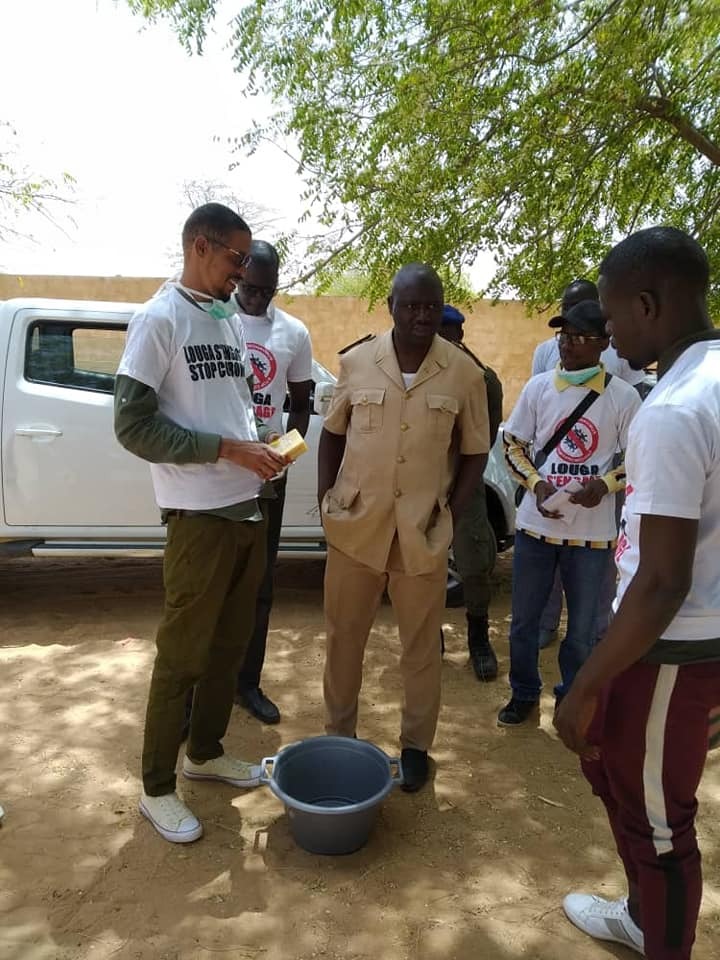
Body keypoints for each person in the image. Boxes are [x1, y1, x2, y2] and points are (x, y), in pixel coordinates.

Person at [555, 227, 720, 960]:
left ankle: (663, 939)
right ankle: (642, 915)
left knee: (660, 828)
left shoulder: (674, 409)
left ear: (649, 304)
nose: (609, 332)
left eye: (614, 315)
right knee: (610, 766)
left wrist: (587, 680)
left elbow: (660, 582)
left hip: (672, 648)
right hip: (686, 640)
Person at [114, 203, 288, 844]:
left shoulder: (226, 322)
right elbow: (132, 427)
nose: (244, 273)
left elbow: (229, 410)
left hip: (246, 508)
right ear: (198, 246)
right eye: (235, 259)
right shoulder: (160, 320)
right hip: (199, 519)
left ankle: (206, 753)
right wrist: (226, 449)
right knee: (183, 655)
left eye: (247, 261)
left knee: (228, 647)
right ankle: (157, 786)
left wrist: (260, 446)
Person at [318, 264, 490, 791]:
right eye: (411, 305)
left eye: (430, 306)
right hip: (355, 531)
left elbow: (474, 453)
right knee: (344, 640)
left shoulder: (464, 373)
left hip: (422, 534)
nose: (421, 315)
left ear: (441, 309)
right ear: (391, 305)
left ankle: (415, 746)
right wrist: (329, 503)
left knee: (420, 646)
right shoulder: (356, 362)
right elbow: (332, 436)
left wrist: (450, 517)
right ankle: (338, 738)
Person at [501, 299, 641, 726]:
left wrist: (605, 485)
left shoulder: (622, 396)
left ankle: (571, 697)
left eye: (580, 337)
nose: (568, 345)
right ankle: (524, 692)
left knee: (580, 631)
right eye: (564, 336)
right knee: (523, 623)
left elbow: (639, 456)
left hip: (591, 536)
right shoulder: (539, 388)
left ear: (604, 343)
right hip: (535, 528)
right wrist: (537, 485)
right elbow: (512, 444)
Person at [532, 279, 644, 650]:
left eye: (580, 322)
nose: (569, 340)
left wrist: (609, 480)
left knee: (598, 557)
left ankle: (597, 629)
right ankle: (547, 624)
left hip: (604, 467)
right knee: (550, 550)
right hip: (554, 467)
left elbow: (628, 407)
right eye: (566, 317)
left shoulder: (617, 353)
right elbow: (540, 406)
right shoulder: (547, 351)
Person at [233, 240, 313, 724]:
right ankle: (203, 691)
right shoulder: (216, 319)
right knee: (217, 586)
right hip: (219, 473)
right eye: (250, 288)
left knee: (260, 586)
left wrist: (287, 453)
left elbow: (301, 403)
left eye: (266, 291)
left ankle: (248, 684)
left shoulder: (293, 332)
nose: (257, 299)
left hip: (268, 476)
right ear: (238, 276)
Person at [437, 304, 503, 680]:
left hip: (465, 479)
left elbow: (484, 440)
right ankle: (430, 639)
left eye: (448, 334)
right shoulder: (414, 371)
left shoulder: (483, 380)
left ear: (459, 336)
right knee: (420, 562)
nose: (441, 341)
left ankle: (479, 637)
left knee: (474, 560)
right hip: (419, 481)